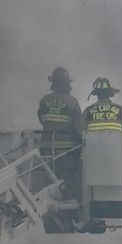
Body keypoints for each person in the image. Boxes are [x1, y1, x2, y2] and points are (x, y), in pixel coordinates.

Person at [36, 66, 84, 204]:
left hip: (46, 150)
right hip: (67, 151)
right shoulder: (72, 102)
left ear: (53, 83)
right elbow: (79, 125)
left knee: (49, 183)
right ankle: (69, 209)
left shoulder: (44, 100)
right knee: (68, 184)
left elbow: (42, 119)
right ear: (68, 84)